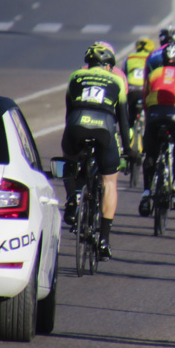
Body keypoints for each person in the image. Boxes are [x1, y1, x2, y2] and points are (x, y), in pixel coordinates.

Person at [61, 41, 132, 260]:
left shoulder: (75, 77)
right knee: (109, 182)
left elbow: (69, 111)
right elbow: (123, 119)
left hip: (76, 126)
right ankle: (104, 239)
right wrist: (129, 150)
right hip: (104, 129)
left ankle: (73, 197)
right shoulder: (117, 80)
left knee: (70, 159)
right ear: (109, 65)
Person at [140, 43, 175, 218]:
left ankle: (147, 191)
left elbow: (145, 97)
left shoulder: (154, 73)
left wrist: (149, 119)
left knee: (150, 153)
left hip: (154, 113)